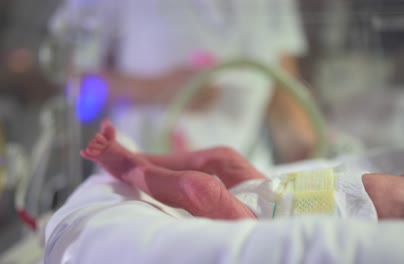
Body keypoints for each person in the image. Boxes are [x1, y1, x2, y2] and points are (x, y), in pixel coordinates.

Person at [49, 0, 315, 169]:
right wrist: (156, 90)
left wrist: (309, 149)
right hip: (144, 185)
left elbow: (283, 87)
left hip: (248, 179)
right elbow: (71, 82)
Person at [80, 120, 404, 220]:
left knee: (204, 191)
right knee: (224, 158)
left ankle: (128, 167)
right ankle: (139, 156)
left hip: (275, 225)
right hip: (294, 190)